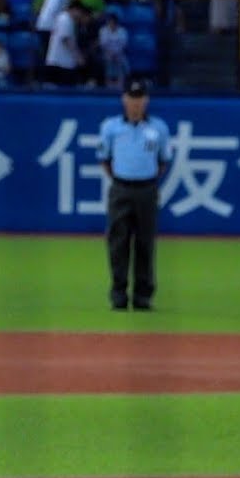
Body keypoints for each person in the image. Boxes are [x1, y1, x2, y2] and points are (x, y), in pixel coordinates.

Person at [97, 80, 172, 311]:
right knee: (118, 242)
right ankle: (118, 294)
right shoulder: (111, 127)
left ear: (146, 100)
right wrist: (122, 179)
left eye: (140, 98)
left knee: (145, 243)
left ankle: (143, 296)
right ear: (124, 99)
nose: (136, 103)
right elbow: (105, 159)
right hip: (121, 188)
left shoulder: (158, 128)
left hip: (147, 189)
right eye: (132, 98)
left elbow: (163, 161)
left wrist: (147, 179)